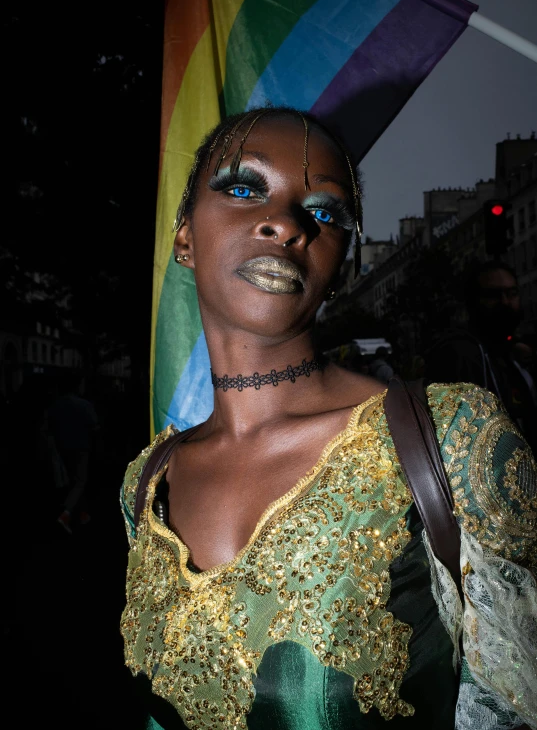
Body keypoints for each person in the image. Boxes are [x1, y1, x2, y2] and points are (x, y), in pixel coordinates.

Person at [120, 107, 536, 729]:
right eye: (242, 187)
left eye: (323, 212)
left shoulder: (454, 440)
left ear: (342, 265)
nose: (284, 223)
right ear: (183, 237)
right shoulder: (146, 482)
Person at [425, 261, 537, 455]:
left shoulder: (511, 354)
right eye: (493, 295)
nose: (505, 302)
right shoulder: (460, 352)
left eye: (512, 294)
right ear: (472, 302)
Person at [45, 371, 100, 533]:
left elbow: (49, 428)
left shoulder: (56, 405)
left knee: (74, 482)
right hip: (82, 447)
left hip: (62, 448)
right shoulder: (84, 405)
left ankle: (82, 514)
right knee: (80, 481)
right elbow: (95, 428)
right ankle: (66, 514)